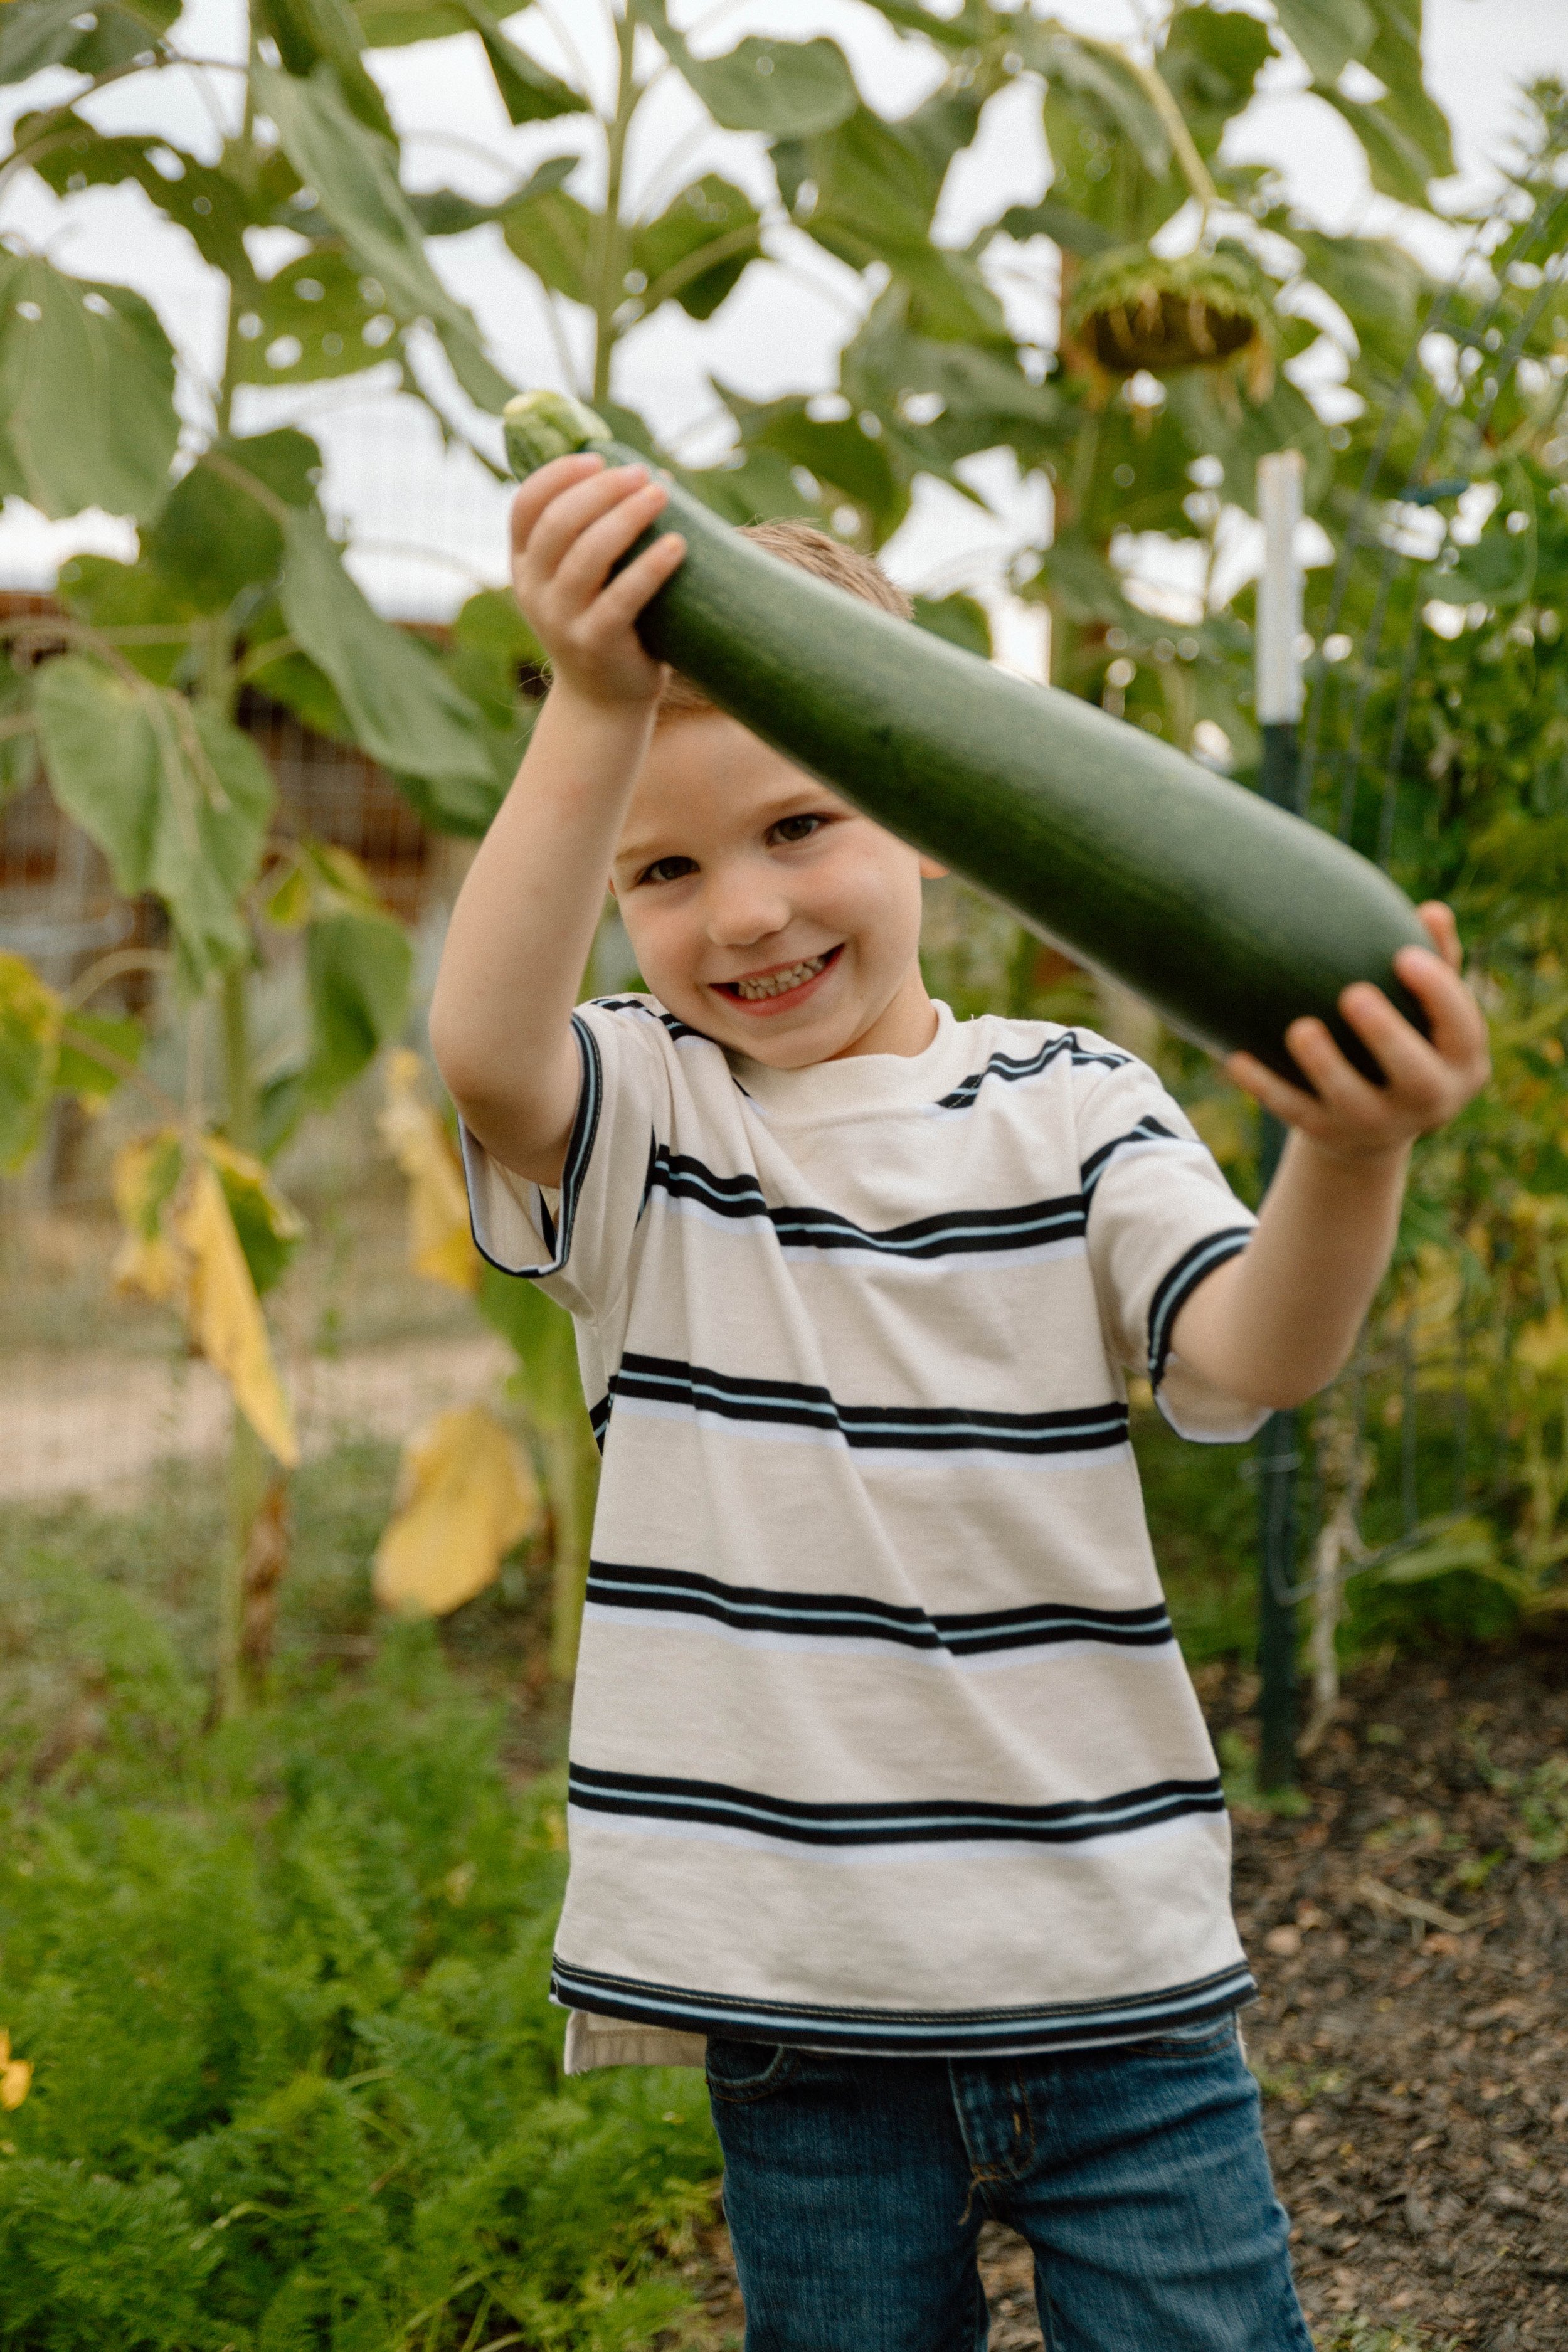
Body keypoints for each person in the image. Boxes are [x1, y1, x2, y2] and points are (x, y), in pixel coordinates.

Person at [429, 452, 1490, 2352]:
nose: (739, 914)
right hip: (799, 2004)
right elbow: (486, 1053)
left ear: (929, 815)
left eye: (798, 826)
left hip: (1112, 1973)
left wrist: (1349, 1154)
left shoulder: (1070, 1101)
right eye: (661, 872)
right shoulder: (651, 1124)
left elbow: (1252, 1355)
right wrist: (593, 698)